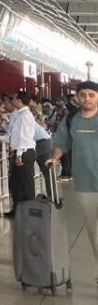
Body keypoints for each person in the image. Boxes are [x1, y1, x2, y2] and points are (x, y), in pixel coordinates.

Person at [46, 81, 98, 284]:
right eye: (83, 95)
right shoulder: (71, 121)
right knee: (94, 230)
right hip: (85, 182)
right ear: (77, 97)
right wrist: (55, 157)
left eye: (91, 95)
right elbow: (62, 143)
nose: (87, 98)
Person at [3, 91, 38, 218]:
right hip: (19, 151)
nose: (12, 101)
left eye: (14, 99)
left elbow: (24, 136)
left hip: (24, 152)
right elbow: (15, 134)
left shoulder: (26, 116)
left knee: (26, 183)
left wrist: (19, 154)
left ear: (19, 101)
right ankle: (17, 209)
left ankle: (29, 211)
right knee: (15, 183)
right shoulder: (18, 114)